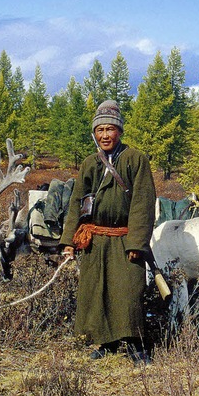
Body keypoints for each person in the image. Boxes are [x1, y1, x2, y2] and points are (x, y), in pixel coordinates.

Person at [60, 100, 156, 364]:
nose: (104, 135)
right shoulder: (90, 163)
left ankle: (136, 345)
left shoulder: (135, 159)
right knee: (98, 291)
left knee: (128, 293)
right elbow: (76, 202)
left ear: (120, 131)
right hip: (95, 239)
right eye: (100, 130)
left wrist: (137, 241)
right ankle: (108, 343)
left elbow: (143, 203)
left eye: (110, 129)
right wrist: (69, 240)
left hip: (125, 239)